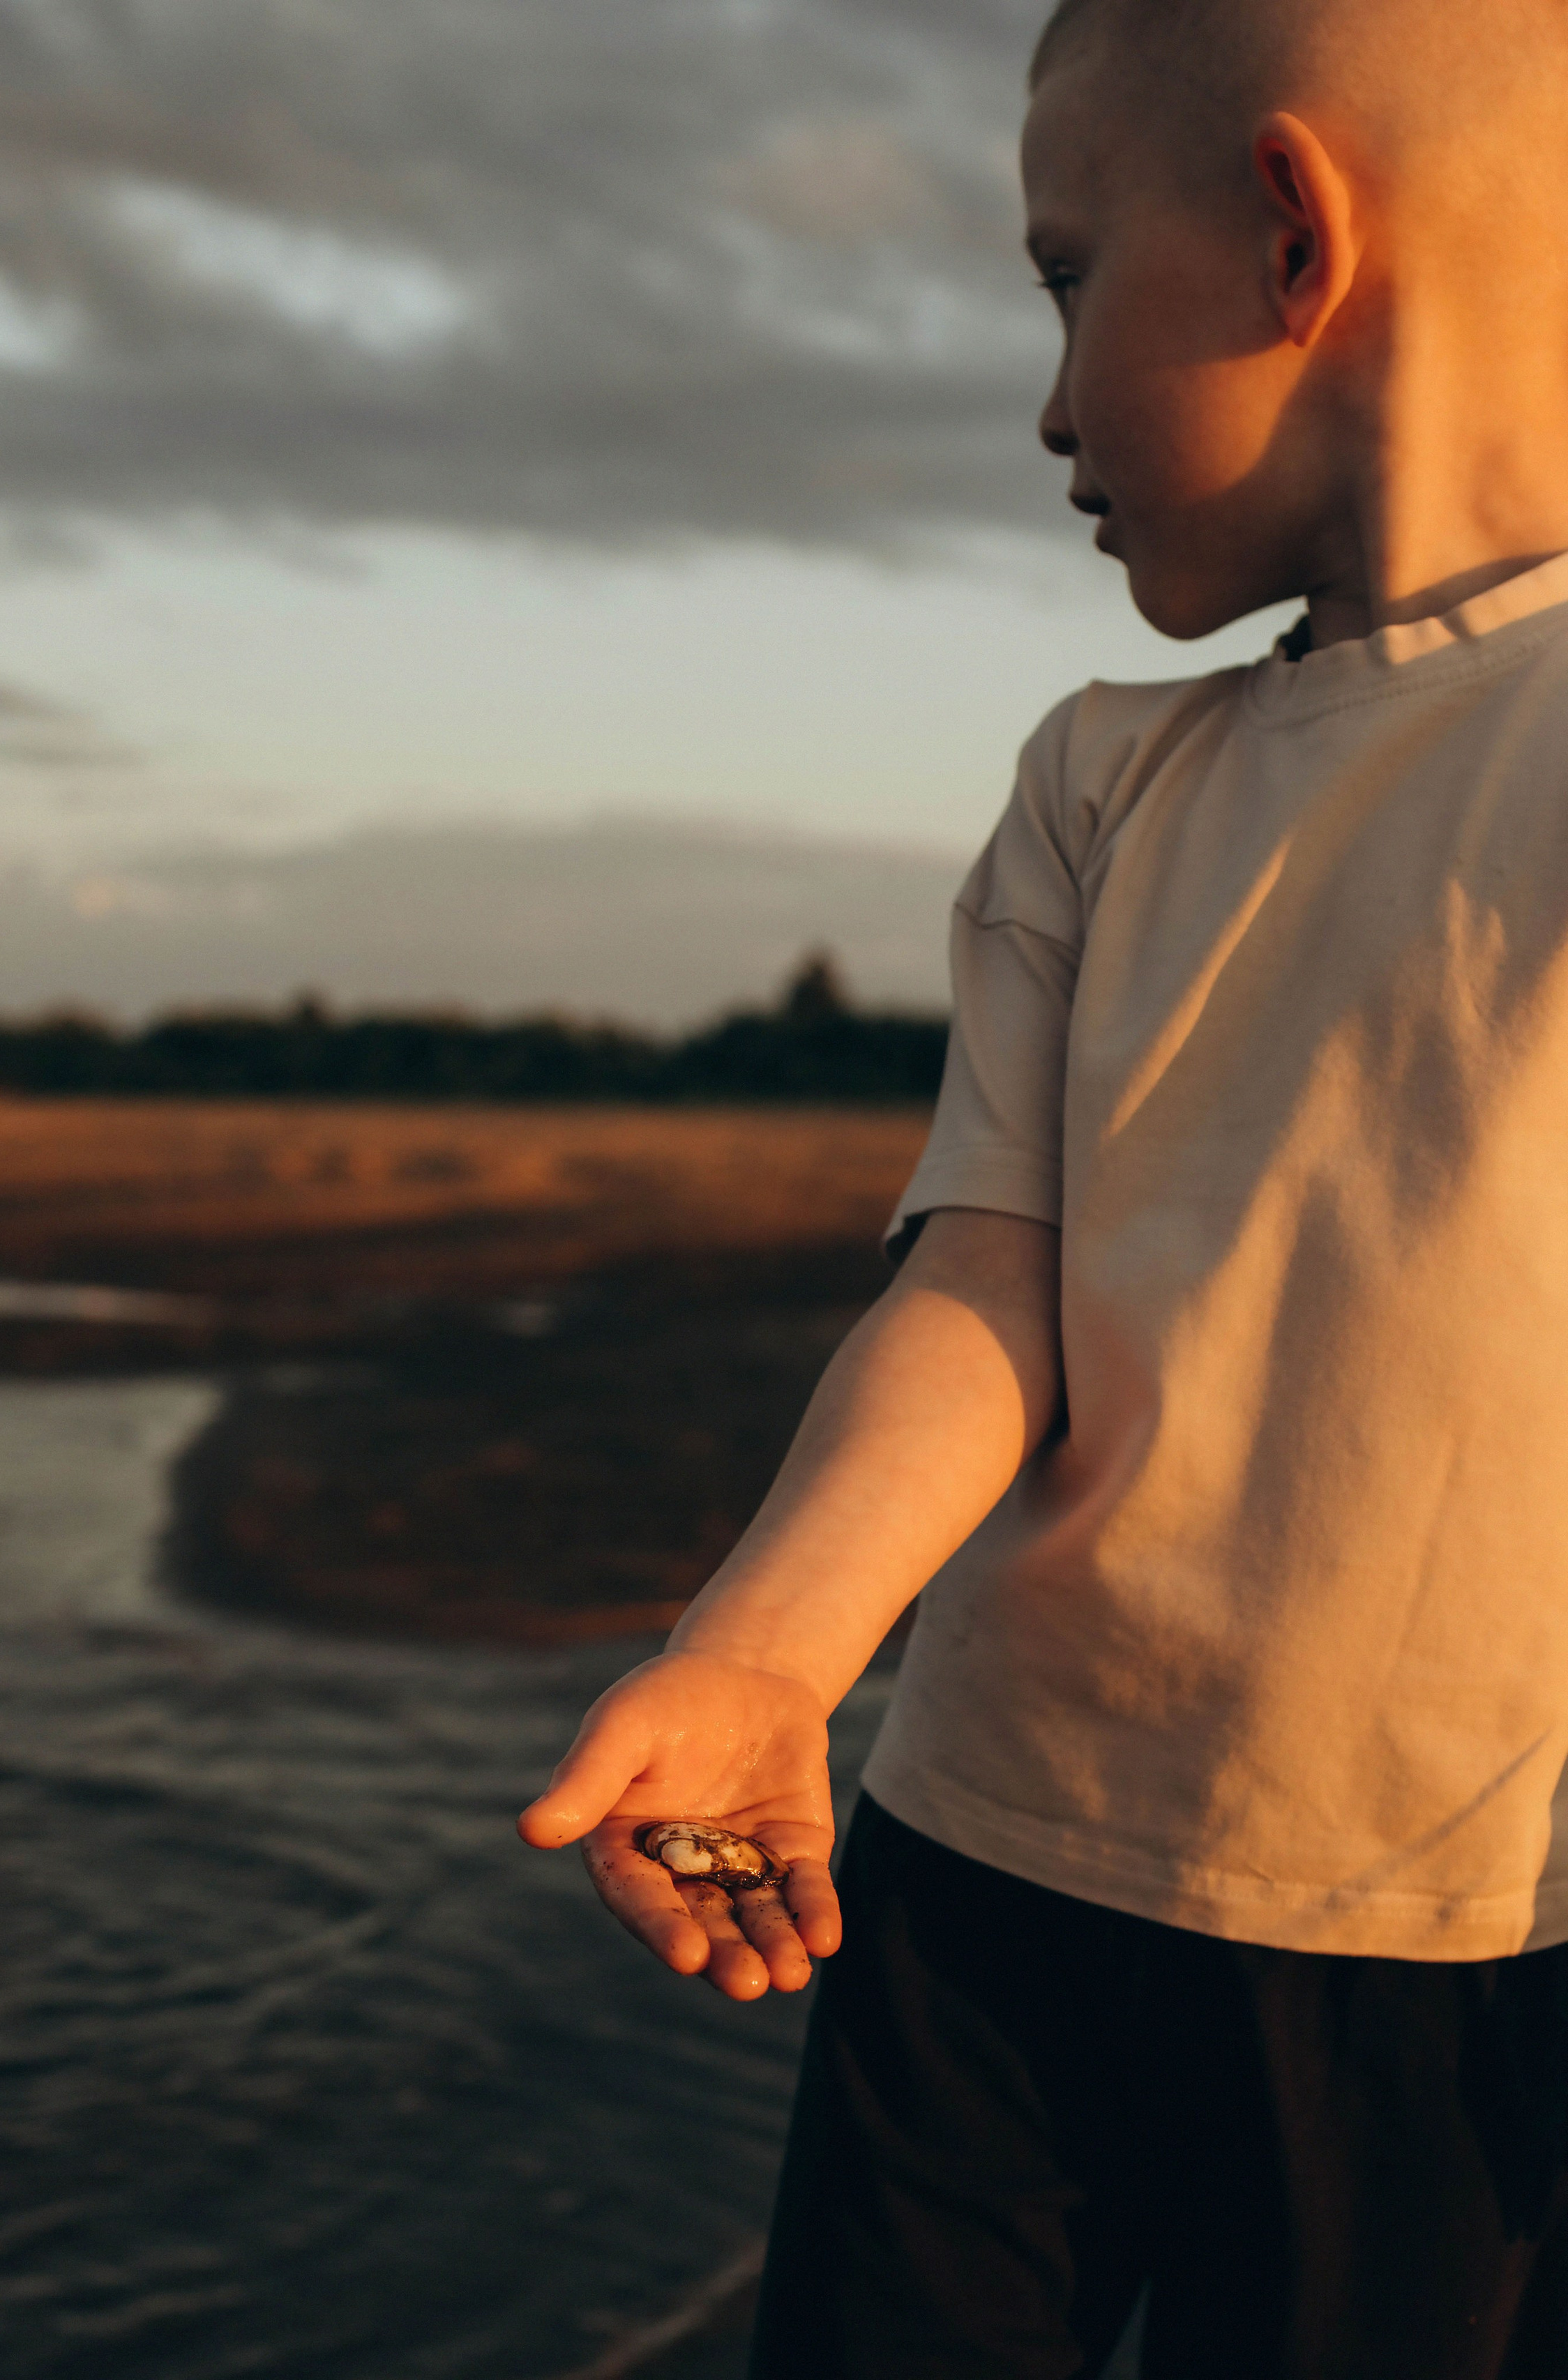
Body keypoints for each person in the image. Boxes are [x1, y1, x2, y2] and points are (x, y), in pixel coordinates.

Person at [520, 0, 1568, 2369]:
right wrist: (774, 1653)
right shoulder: (1105, 782)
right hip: (987, 1864)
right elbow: (987, 1280)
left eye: (1066, 277)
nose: (1051, 403)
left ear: (1297, 234)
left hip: (1454, 1938)